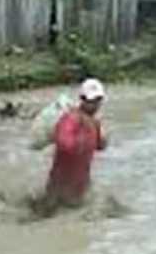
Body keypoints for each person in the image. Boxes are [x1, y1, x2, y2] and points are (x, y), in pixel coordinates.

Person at [36, 78, 107, 216]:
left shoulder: (94, 122)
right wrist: (84, 135)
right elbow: (64, 144)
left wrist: (101, 134)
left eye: (97, 100)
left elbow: (101, 146)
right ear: (82, 99)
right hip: (59, 187)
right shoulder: (71, 119)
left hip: (81, 185)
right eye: (90, 100)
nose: (94, 104)